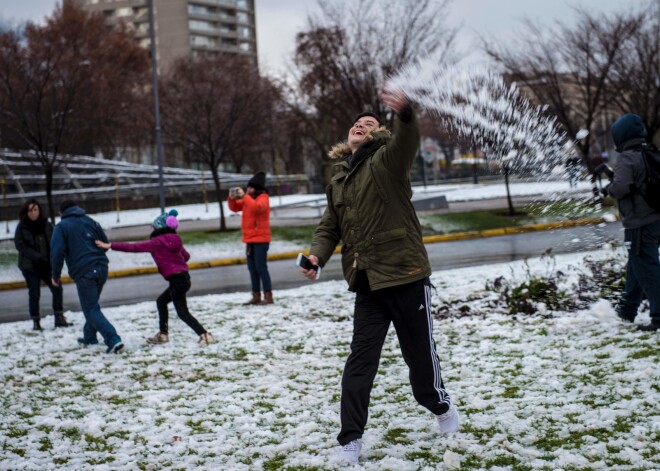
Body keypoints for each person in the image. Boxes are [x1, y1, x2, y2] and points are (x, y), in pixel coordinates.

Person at [300, 86, 459, 464]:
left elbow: (408, 138)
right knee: (360, 362)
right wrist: (316, 257)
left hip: (405, 275)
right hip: (367, 283)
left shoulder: (389, 160)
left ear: (379, 134)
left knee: (420, 363)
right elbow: (329, 227)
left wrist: (405, 113)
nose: (361, 125)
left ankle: (441, 407)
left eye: (369, 123)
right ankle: (350, 440)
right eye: (357, 123)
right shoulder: (339, 179)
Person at [95, 209, 216, 345]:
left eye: (152, 226)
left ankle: (205, 335)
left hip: (177, 281)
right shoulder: (175, 239)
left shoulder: (156, 242)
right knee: (161, 302)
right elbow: (186, 257)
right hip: (183, 278)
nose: (151, 228)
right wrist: (173, 258)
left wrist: (110, 245)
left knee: (182, 312)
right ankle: (163, 335)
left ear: (158, 227)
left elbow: (134, 247)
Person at [604, 113, 660, 332]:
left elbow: (620, 187)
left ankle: (658, 317)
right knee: (638, 266)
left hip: (639, 223)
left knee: (648, 269)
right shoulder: (650, 152)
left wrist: (608, 188)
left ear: (621, 136)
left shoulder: (628, 157)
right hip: (655, 218)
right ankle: (626, 310)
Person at [50, 200, 124, 353]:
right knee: (92, 305)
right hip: (102, 267)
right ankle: (89, 336)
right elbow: (105, 243)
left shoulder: (61, 226)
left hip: (85, 271)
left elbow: (57, 253)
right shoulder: (90, 221)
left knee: (90, 308)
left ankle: (113, 339)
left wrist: (55, 275)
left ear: (61, 213)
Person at [14, 199, 71, 331]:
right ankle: (36, 321)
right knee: (34, 293)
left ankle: (59, 317)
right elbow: (21, 245)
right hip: (30, 266)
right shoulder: (22, 227)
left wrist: (55, 257)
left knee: (57, 288)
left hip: (47, 265)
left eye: (35, 210)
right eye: (30, 211)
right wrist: (37, 257)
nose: (33, 213)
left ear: (39, 210)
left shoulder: (47, 224)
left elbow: (55, 241)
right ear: (26, 212)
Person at [228, 171, 274, 305]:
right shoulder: (248, 199)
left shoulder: (263, 198)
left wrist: (244, 196)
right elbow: (235, 208)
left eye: (251, 188)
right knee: (252, 269)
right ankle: (256, 296)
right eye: (248, 188)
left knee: (261, 268)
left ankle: (268, 296)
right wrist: (231, 198)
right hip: (250, 240)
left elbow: (256, 208)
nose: (248, 190)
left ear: (258, 188)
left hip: (261, 240)